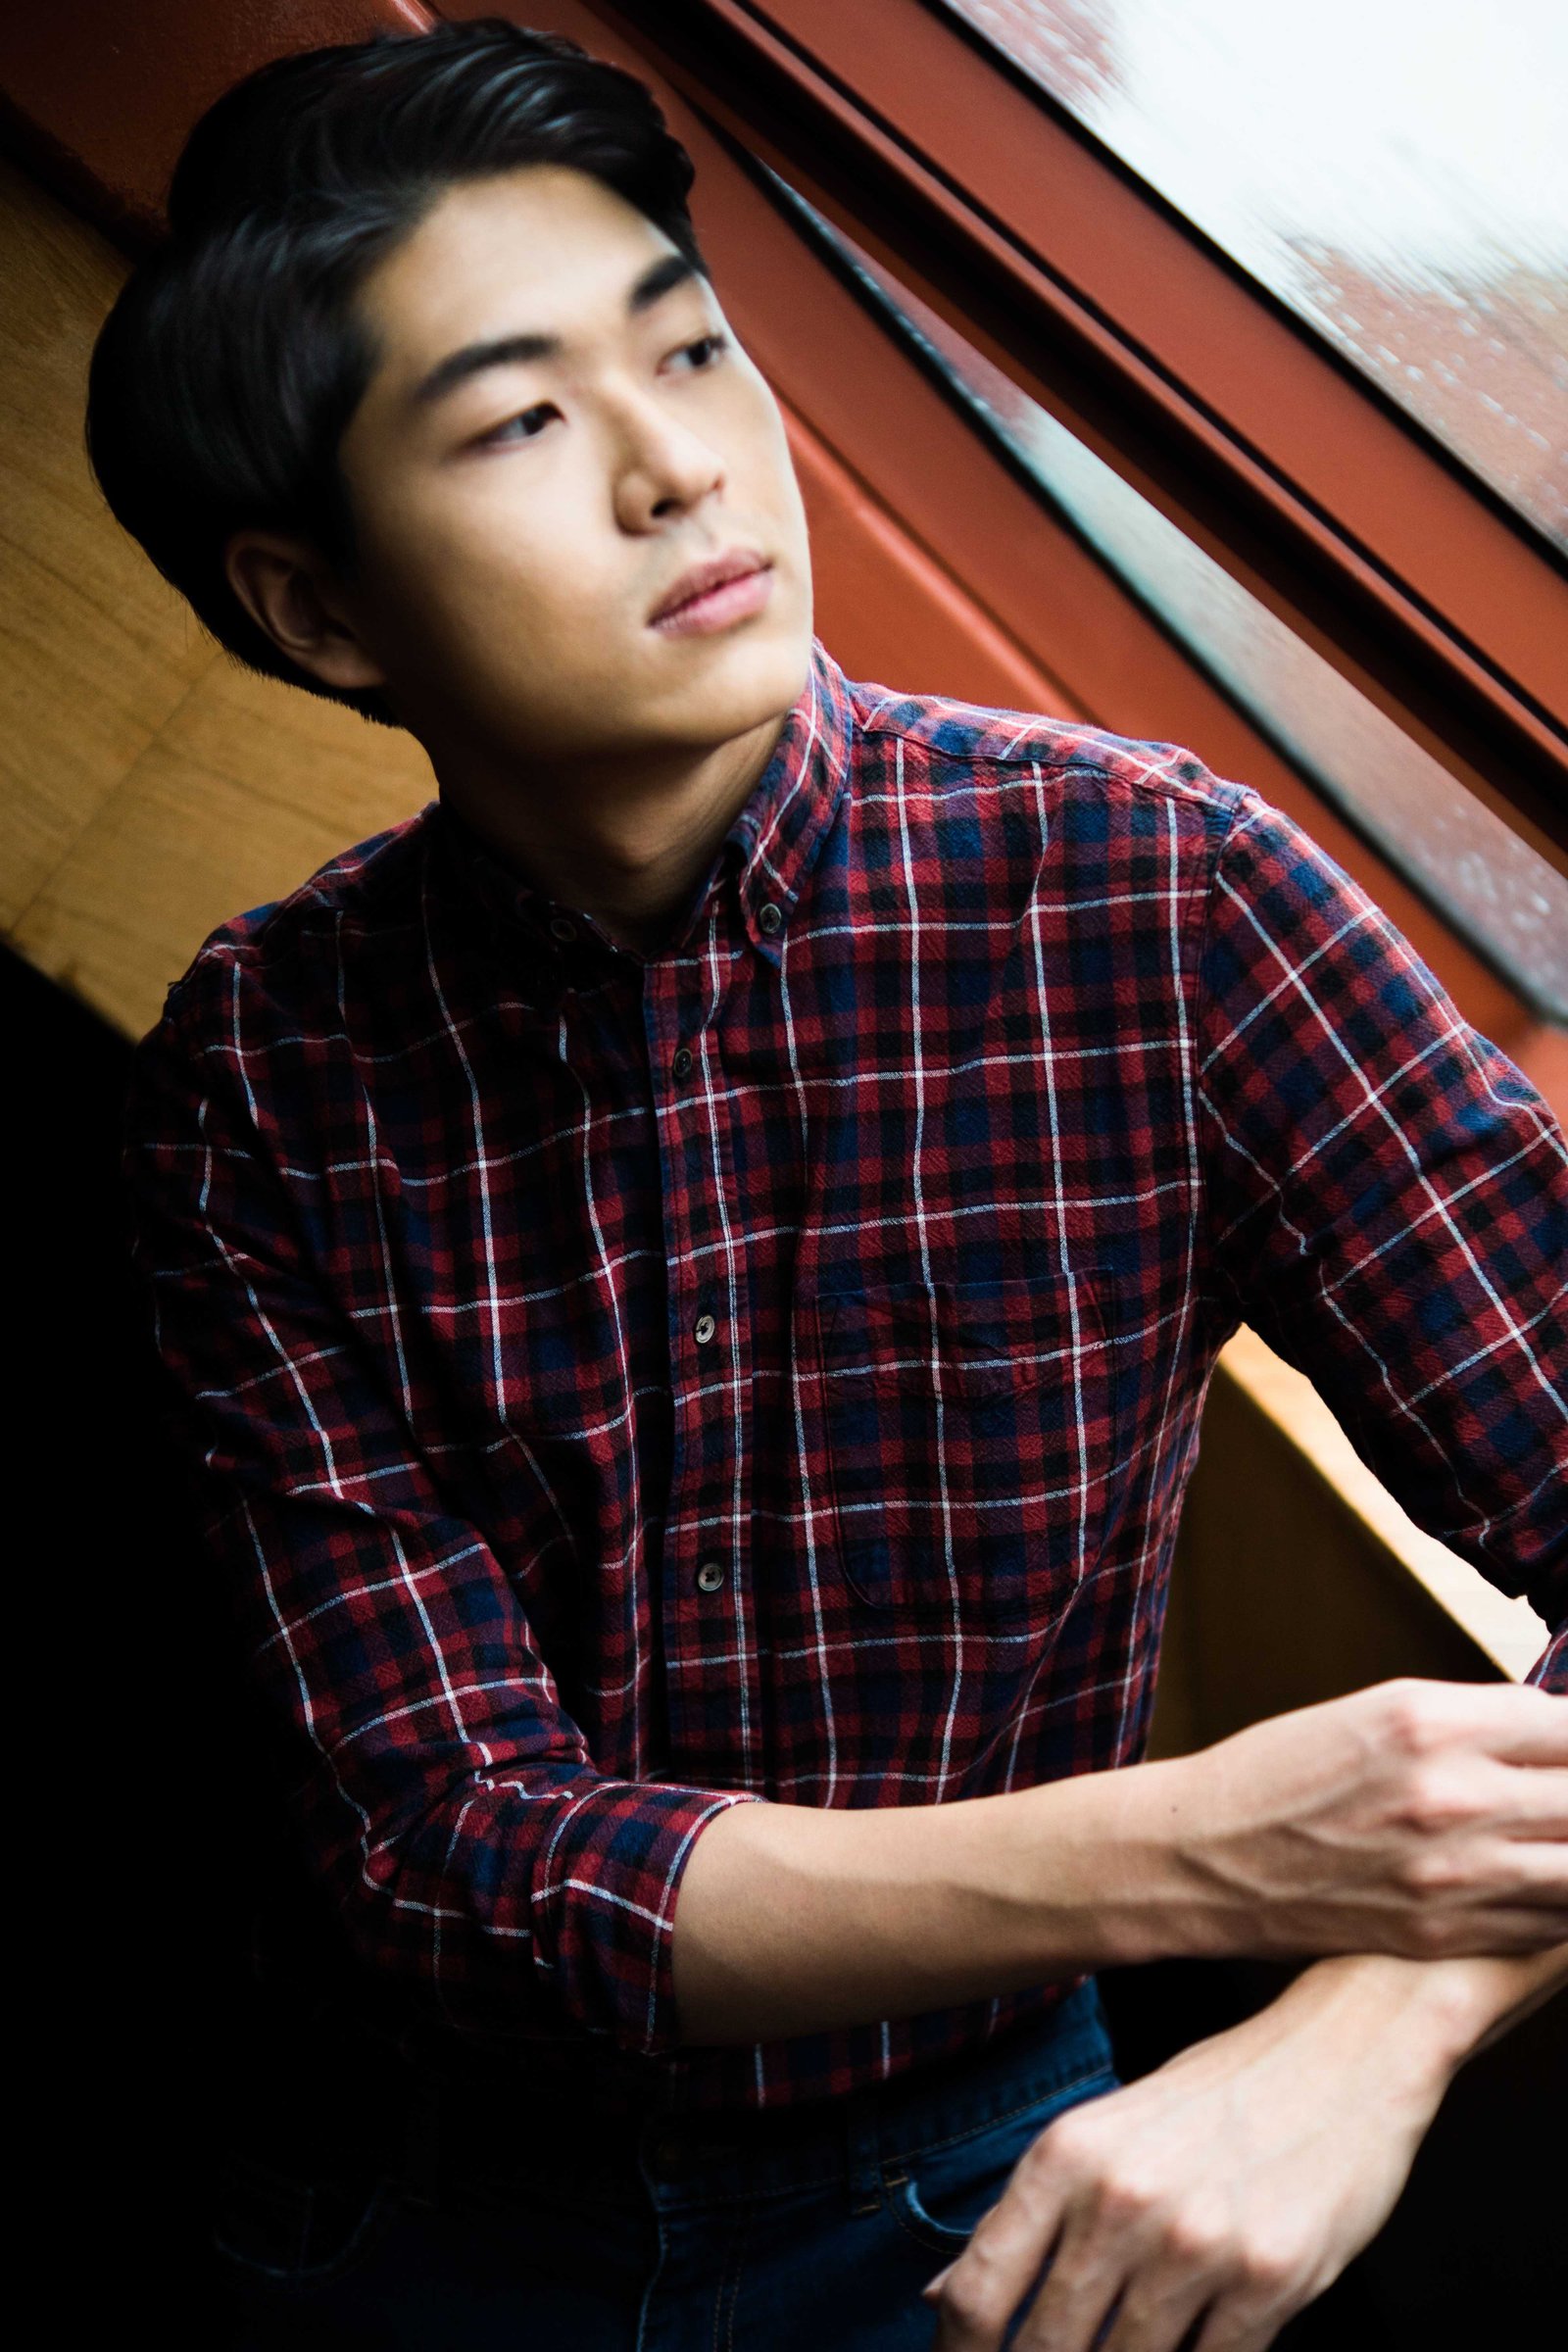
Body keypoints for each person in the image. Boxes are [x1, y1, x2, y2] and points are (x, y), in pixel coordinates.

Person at [88, 18, 1566, 2350]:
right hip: (392, 2210)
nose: (682, 465)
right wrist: (1201, 1857)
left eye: (690, 347)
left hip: (976, 2193)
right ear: (320, 610)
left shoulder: (1149, 895)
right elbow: (446, 1850)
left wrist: (1363, 2032)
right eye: (519, 421)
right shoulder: (262, 1075)